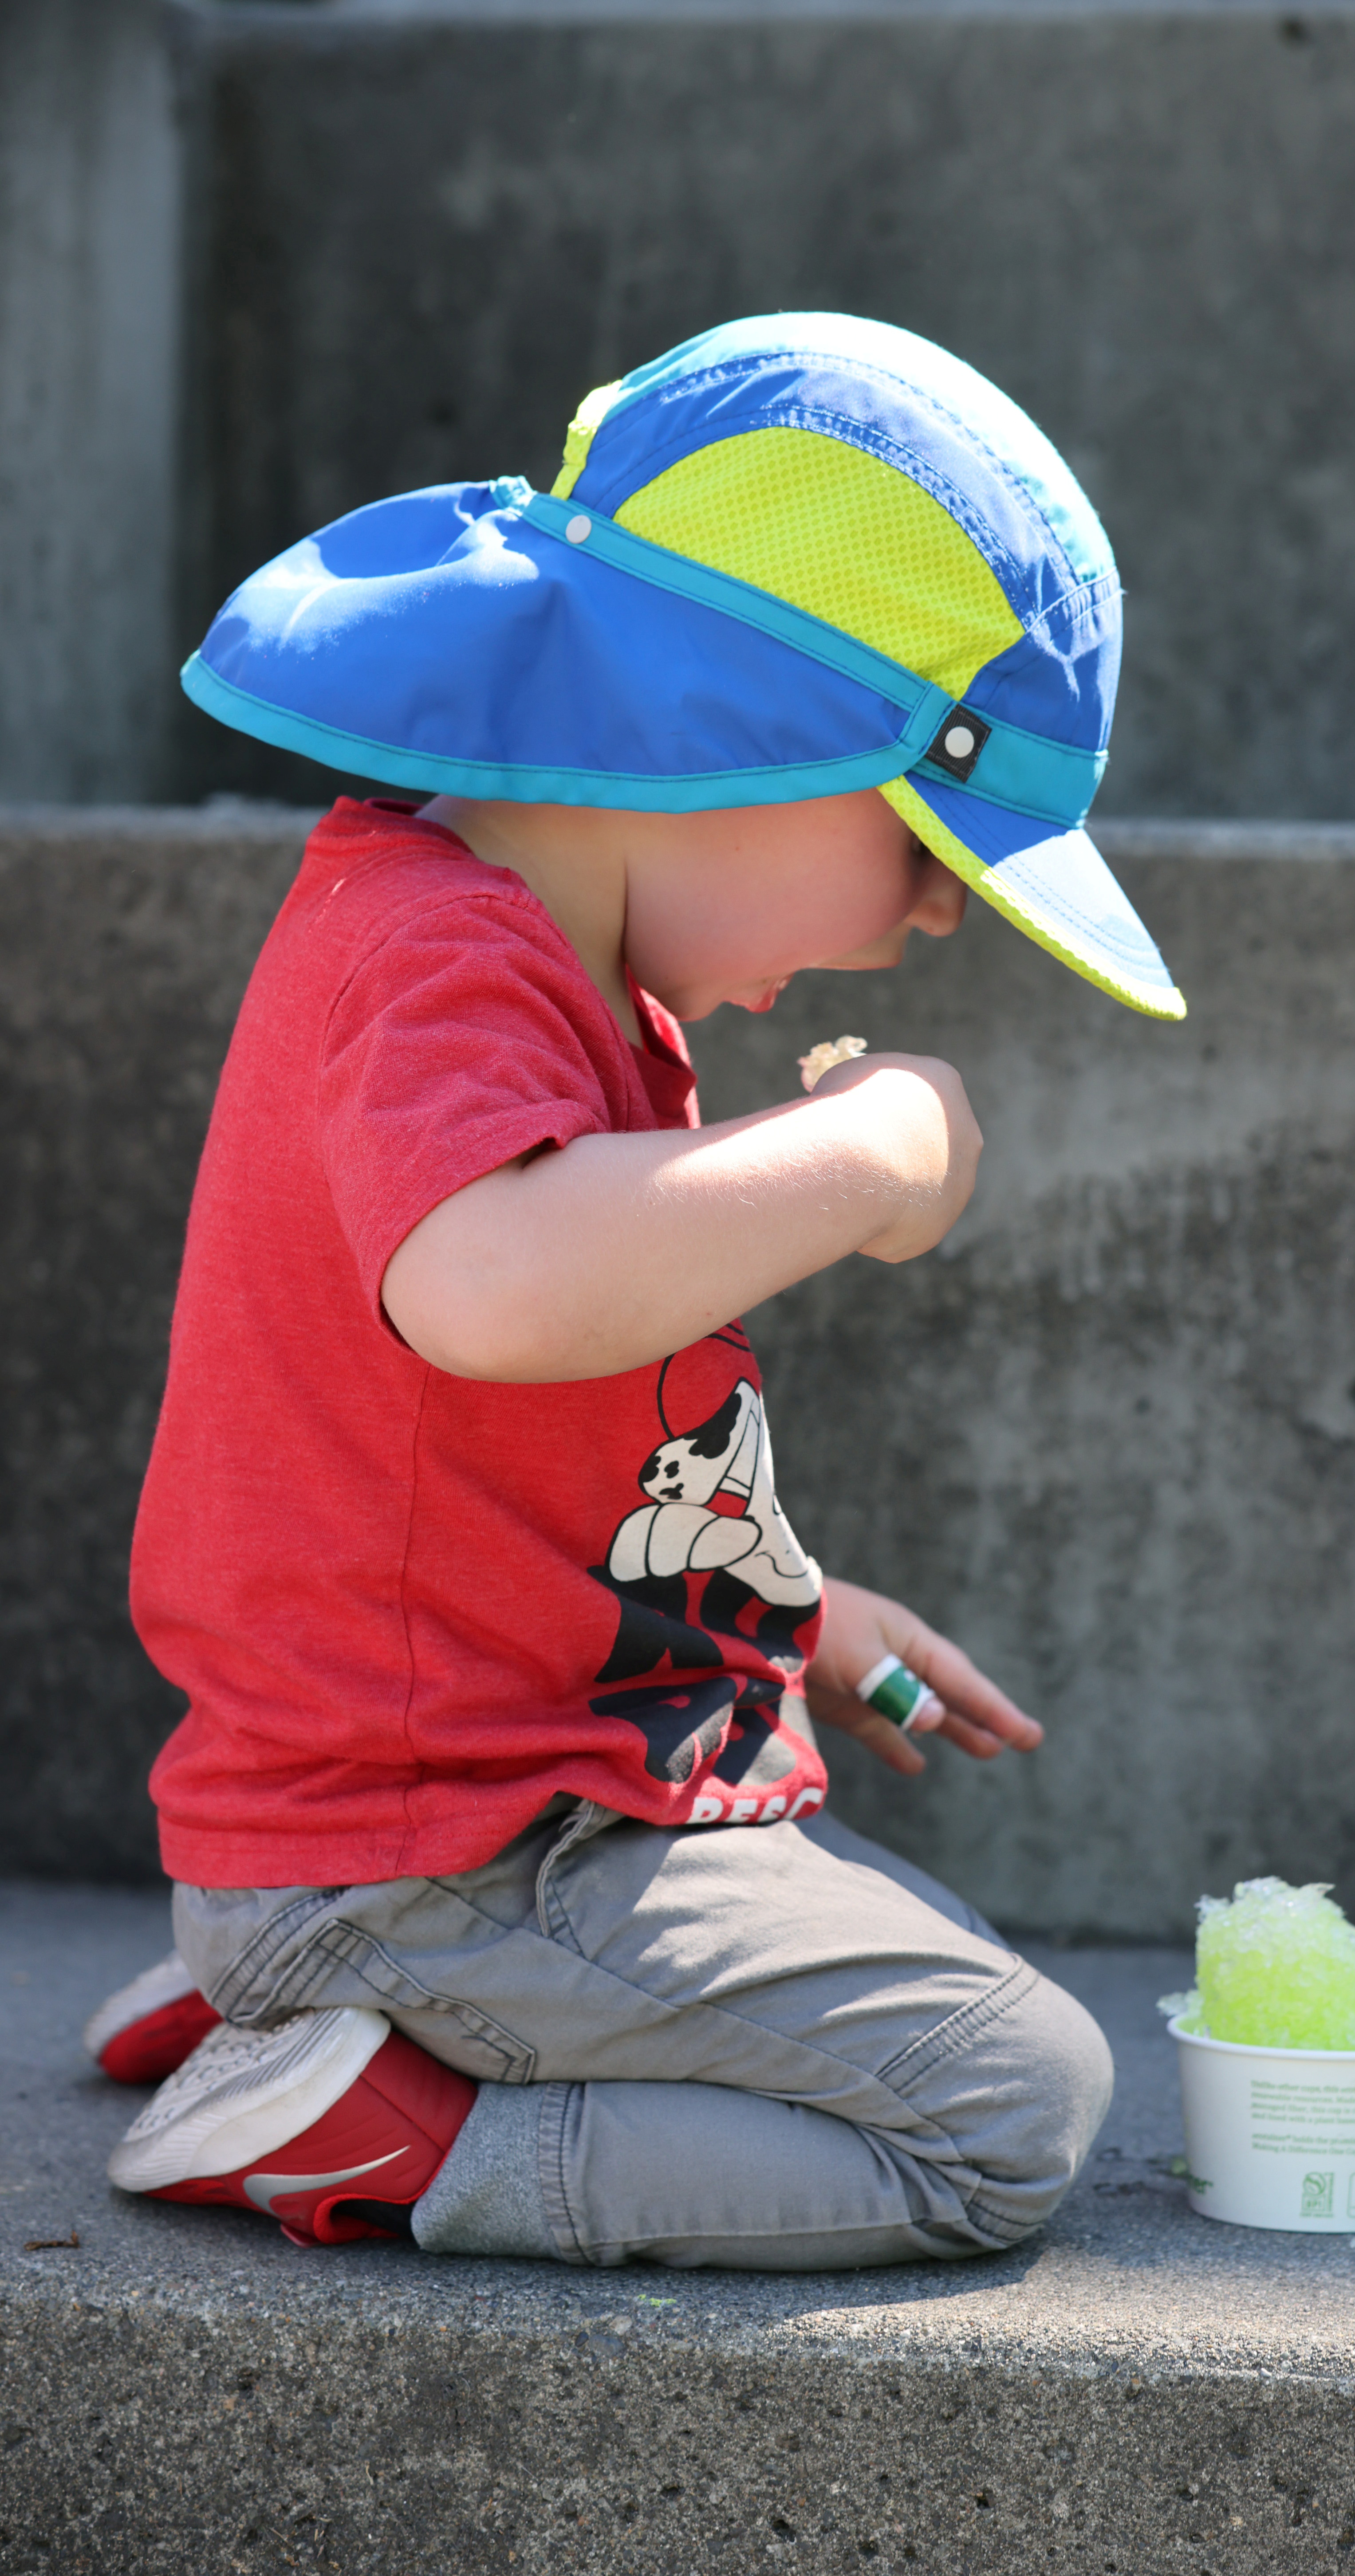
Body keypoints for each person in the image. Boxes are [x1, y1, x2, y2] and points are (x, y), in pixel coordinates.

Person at [89, 314, 1186, 2271]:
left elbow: (506, 1456)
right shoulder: (435, 959)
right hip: (440, 1851)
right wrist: (874, 1155)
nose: (935, 915)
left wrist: (800, 1611)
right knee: (1010, 2110)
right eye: (925, 842)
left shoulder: (563, 980)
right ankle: (399, 2114)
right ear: (739, 727)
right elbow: (499, 1299)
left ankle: (323, 1999)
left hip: (466, 1817)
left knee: (926, 1980)